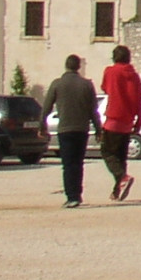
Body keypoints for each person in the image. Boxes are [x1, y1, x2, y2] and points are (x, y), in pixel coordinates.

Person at [41, 55, 99, 208]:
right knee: (78, 163)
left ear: (66, 66)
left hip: (65, 129)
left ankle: (71, 196)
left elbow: (46, 108)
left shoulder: (57, 84)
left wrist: (42, 126)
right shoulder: (87, 85)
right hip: (82, 129)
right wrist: (99, 129)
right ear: (78, 67)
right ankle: (77, 194)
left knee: (68, 164)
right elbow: (93, 110)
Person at [100, 44, 141, 202]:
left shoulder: (110, 71)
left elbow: (105, 88)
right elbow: (139, 100)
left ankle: (122, 178)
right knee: (120, 157)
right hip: (128, 121)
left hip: (113, 119)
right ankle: (117, 191)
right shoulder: (134, 76)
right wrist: (138, 121)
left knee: (107, 152)